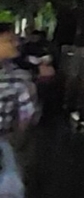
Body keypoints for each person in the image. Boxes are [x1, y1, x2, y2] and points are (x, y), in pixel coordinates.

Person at [0, 24, 38, 198]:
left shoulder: (19, 77)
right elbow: (26, 118)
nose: (16, 43)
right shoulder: (18, 77)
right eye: (9, 40)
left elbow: (26, 118)